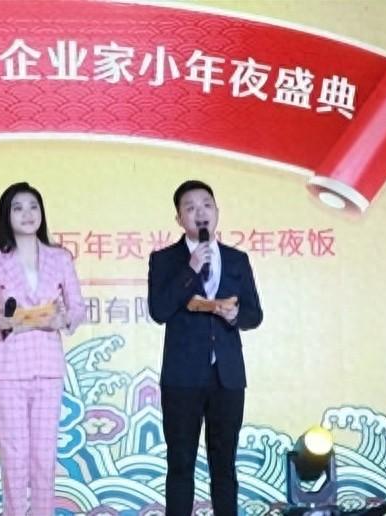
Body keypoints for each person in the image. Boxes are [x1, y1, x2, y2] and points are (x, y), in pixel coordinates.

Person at [0, 181, 86, 516]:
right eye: (18, 208)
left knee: (44, 456)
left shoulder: (60, 257)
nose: (27, 214)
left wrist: (63, 320)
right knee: (14, 457)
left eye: (33, 207)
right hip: (8, 366)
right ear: (6, 215)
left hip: (47, 364)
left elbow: (78, 307)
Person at [147, 179, 263, 515]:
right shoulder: (165, 260)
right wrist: (191, 268)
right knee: (180, 464)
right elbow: (159, 311)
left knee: (224, 465)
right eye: (190, 207)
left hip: (227, 376)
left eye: (206, 205)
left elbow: (255, 314)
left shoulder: (237, 259)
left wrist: (235, 315)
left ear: (217, 212)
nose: (200, 213)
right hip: (182, 377)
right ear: (179, 219)